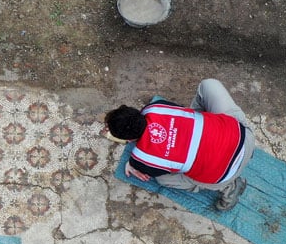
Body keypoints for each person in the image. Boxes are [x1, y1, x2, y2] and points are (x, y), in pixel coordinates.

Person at [105, 78, 257, 211]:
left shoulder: (142, 159)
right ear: (137, 112)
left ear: (129, 140)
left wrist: (131, 164)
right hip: (245, 138)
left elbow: (149, 167)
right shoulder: (155, 107)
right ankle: (203, 124)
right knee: (208, 85)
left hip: (227, 173)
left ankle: (229, 186)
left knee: (163, 180)